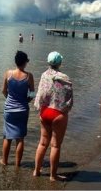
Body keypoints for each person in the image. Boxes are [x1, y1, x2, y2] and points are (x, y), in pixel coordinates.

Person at [33, 51, 73, 182]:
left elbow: (40, 94)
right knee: (55, 146)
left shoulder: (44, 75)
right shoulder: (64, 77)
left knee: (43, 143)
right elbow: (68, 98)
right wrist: (65, 109)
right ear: (59, 62)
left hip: (45, 112)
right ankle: (52, 176)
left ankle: (36, 171)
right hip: (57, 113)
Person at [0, 51, 35, 167]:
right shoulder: (29, 76)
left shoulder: (8, 74)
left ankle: (4, 162)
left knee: (7, 137)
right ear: (25, 63)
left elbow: (4, 91)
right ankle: (17, 165)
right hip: (22, 110)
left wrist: (9, 99)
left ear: (16, 62)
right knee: (20, 138)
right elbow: (32, 94)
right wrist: (24, 101)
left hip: (9, 110)